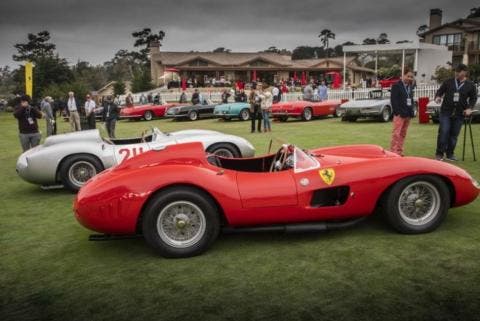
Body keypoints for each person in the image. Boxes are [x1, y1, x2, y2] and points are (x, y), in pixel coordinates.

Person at [434, 63, 477, 161]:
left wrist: (470, 108)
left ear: (465, 72)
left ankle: (450, 154)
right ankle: (439, 153)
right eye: (456, 71)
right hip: (446, 112)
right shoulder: (448, 82)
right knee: (444, 132)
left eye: (459, 72)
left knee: (454, 135)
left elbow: (473, 98)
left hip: (459, 113)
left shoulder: (470, 85)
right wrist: (438, 97)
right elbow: (440, 92)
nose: (456, 73)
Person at [389, 68, 415, 156]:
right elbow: (393, 100)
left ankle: (399, 152)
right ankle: (393, 152)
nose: (410, 78)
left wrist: (411, 111)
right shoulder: (396, 85)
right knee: (396, 134)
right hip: (399, 114)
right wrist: (397, 112)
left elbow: (410, 100)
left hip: (407, 114)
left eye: (411, 77)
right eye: (408, 76)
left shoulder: (410, 87)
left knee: (403, 134)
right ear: (403, 75)